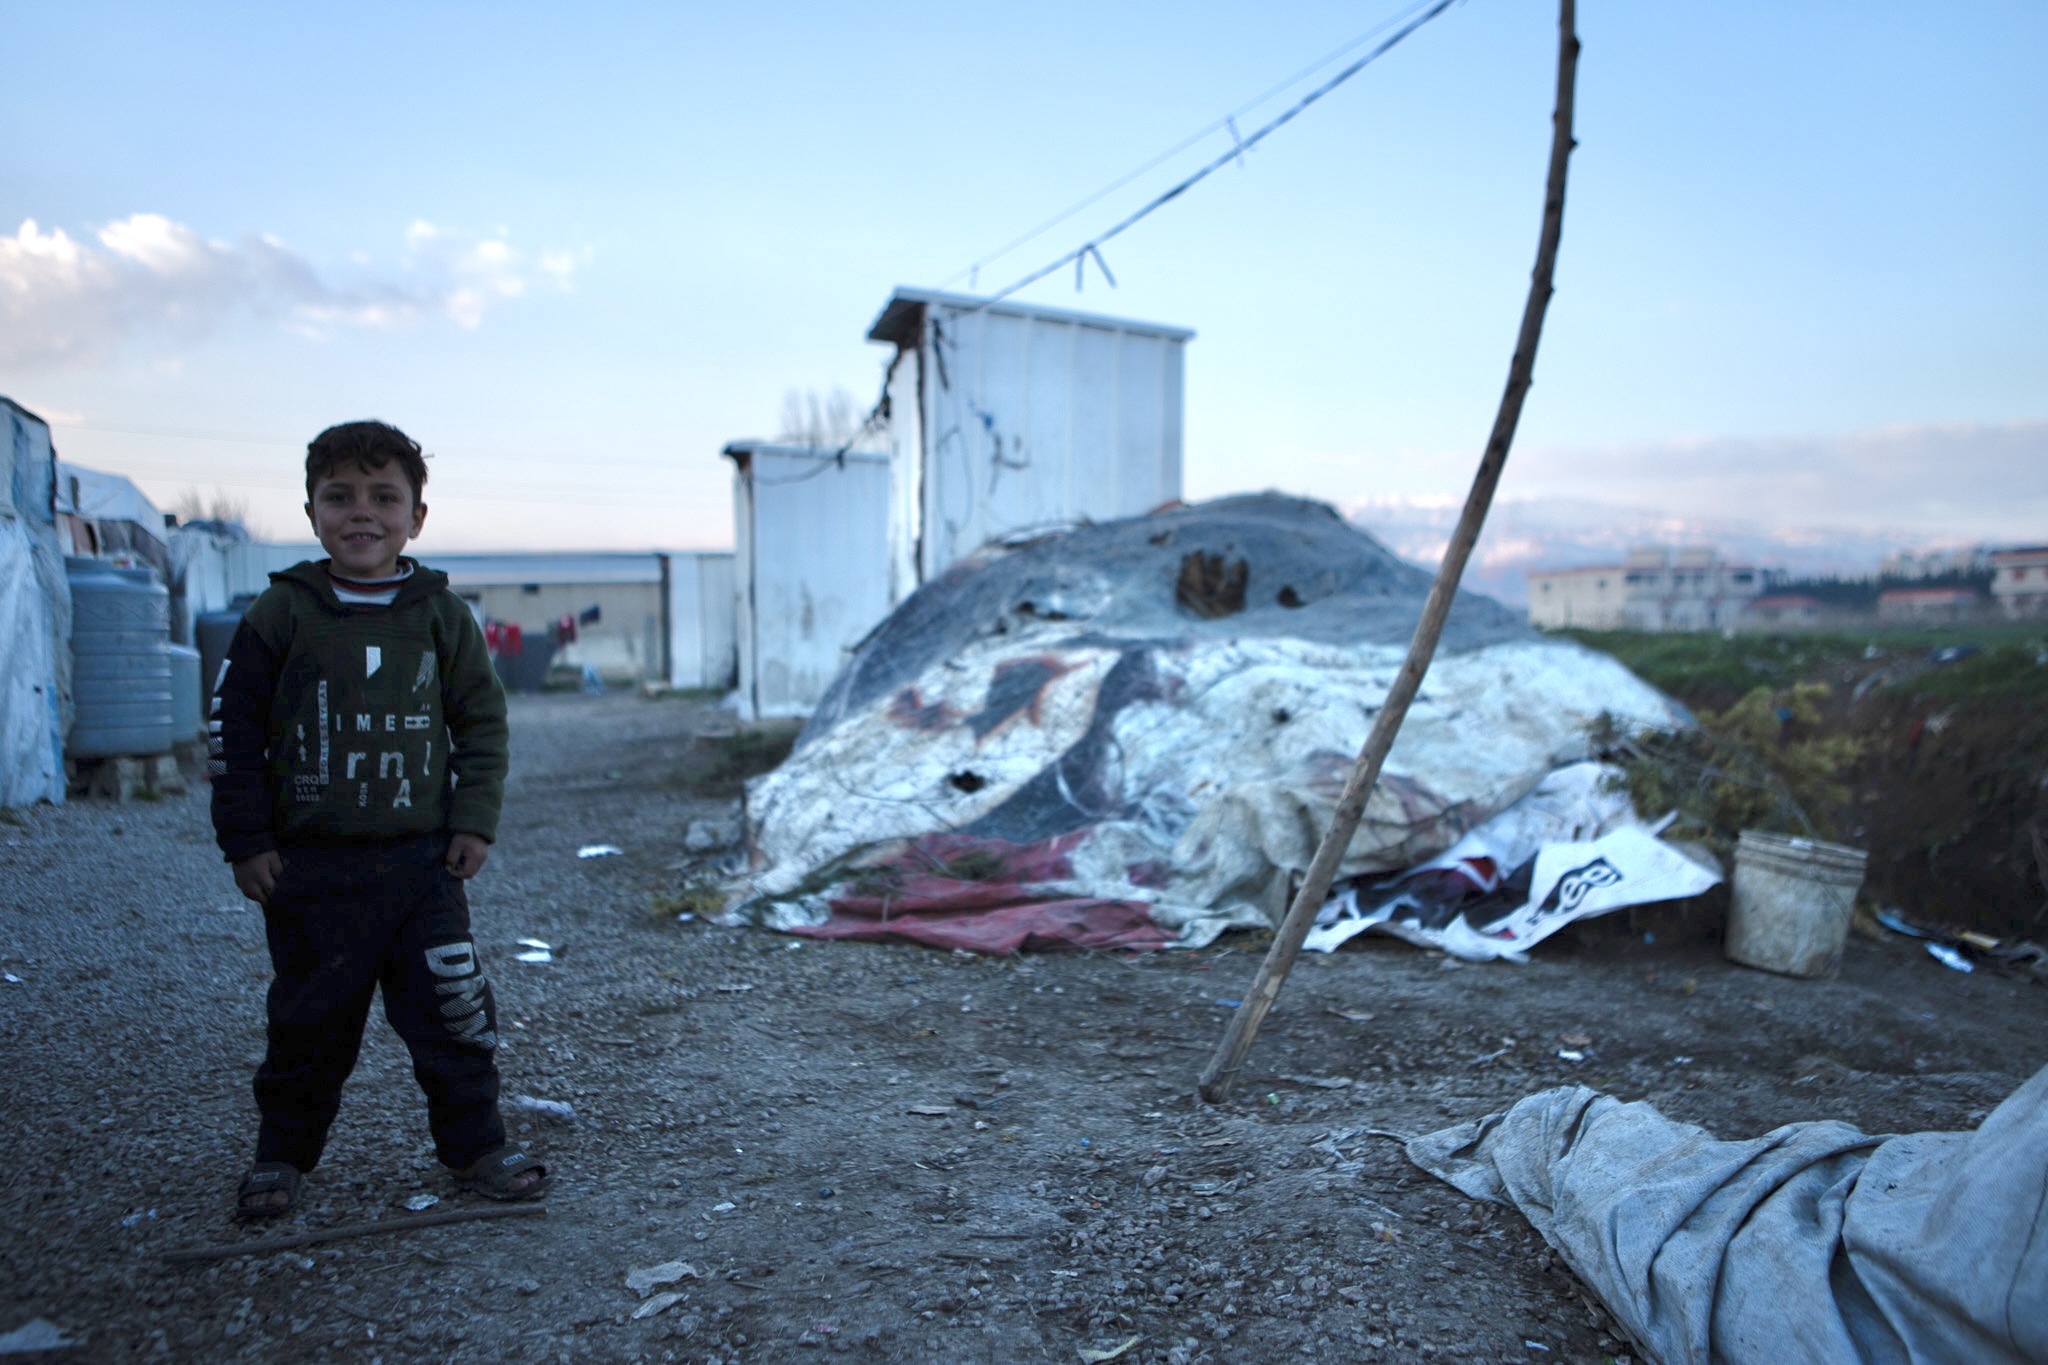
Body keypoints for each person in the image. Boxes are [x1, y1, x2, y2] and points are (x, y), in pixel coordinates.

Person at [209, 420, 545, 1217]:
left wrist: (474, 820)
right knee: (308, 1024)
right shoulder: (283, 612)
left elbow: (482, 723)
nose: (362, 513)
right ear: (311, 510)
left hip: (422, 866)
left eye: (383, 497)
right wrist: (247, 840)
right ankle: (281, 1158)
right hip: (312, 868)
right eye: (341, 497)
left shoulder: (442, 615)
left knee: (454, 1014)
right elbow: (233, 729)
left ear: (416, 517)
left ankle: (478, 1149)